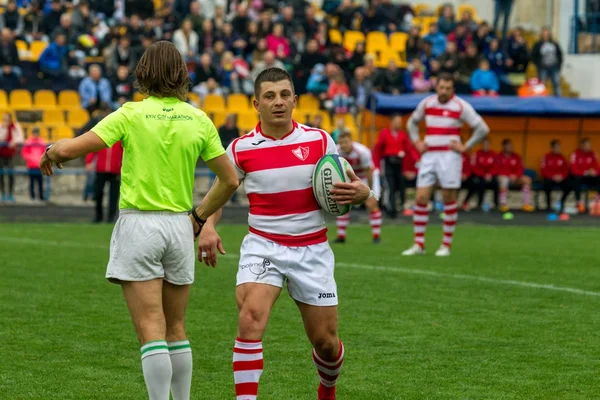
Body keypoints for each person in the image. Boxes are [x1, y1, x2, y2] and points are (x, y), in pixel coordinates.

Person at [39, 41, 240, 400]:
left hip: (140, 225)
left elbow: (71, 150)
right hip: (180, 227)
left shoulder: (131, 114)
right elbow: (229, 180)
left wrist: (51, 152)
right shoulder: (198, 119)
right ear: (182, 74)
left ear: (142, 73)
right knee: (176, 328)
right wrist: (199, 215)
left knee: (151, 329)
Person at [196, 67, 372, 400]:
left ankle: (327, 389)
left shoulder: (319, 141)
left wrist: (364, 193)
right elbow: (220, 193)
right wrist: (208, 225)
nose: (278, 102)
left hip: (312, 249)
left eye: (285, 95)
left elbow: (351, 182)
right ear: (256, 103)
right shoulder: (239, 149)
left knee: (326, 342)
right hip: (264, 248)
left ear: (295, 100)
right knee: (250, 319)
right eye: (270, 96)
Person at [402, 73, 490, 257]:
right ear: (436, 87)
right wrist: (417, 142)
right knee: (421, 197)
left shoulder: (460, 106)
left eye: (448, 88)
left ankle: (446, 245)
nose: (444, 91)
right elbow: (412, 123)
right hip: (429, 155)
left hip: (450, 156)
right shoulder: (427, 103)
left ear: (453, 90)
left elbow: (482, 128)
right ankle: (419, 243)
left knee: (449, 198)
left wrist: (465, 146)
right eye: (442, 87)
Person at [335, 130, 382, 244]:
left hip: (366, 176)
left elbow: (368, 171)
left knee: (371, 204)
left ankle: (376, 236)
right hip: (351, 177)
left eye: (346, 142)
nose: (344, 145)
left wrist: (369, 190)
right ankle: (341, 236)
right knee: (343, 202)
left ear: (352, 141)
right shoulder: (336, 151)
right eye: (341, 143)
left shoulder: (362, 152)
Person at [372, 114, 411, 218]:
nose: (399, 124)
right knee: (390, 186)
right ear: (392, 122)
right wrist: (377, 165)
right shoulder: (384, 133)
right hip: (388, 162)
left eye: (400, 122)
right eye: (397, 122)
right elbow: (377, 150)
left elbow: (408, 150)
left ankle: (399, 206)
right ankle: (389, 208)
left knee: (400, 186)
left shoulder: (402, 135)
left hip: (399, 163)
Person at [85, 136, 124, 223]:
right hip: (100, 170)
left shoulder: (120, 139)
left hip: (115, 170)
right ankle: (98, 216)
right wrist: (89, 161)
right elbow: (93, 148)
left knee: (114, 195)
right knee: (98, 193)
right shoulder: (102, 137)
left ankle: (111, 217)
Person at [497, 139, 534, 212]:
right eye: (508, 145)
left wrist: (515, 175)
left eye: (510, 145)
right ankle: (503, 204)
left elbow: (520, 168)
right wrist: (508, 175)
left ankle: (526, 204)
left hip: (516, 178)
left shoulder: (516, 156)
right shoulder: (499, 157)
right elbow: (498, 169)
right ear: (504, 146)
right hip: (504, 177)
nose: (510, 147)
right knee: (503, 180)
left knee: (527, 179)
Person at [463, 137, 499, 210]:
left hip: (490, 176)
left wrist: (490, 174)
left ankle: (496, 204)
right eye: (484, 144)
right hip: (479, 176)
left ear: (490, 145)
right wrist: (483, 175)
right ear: (482, 145)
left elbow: (496, 167)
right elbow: (474, 167)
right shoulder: (476, 154)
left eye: (487, 144)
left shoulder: (494, 154)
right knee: (479, 183)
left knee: (496, 183)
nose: (486, 146)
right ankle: (479, 204)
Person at [569, 137, 600, 213]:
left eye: (589, 145)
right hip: (580, 178)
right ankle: (579, 203)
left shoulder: (593, 154)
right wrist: (585, 172)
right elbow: (573, 169)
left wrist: (594, 172)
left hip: (590, 178)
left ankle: (597, 201)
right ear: (581, 145)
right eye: (586, 145)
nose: (588, 147)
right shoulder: (575, 154)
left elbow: (597, 167)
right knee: (575, 179)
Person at [0, 112, 24, 202]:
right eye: (3, 119)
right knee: (1, 174)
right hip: (1, 154)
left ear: (10, 120)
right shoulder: (1, 127)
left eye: (6, 119)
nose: (4, 121)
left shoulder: (16, 126)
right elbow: (1, 138)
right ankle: (3, 194)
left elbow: (20, 138)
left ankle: (10, 194)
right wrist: (4, 129)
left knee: (11, 174)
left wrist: (14, 141)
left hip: (11, 154)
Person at [541, 140, 570, 213]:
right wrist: (552, 176)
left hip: (561, 179)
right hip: (550, 178)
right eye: (556, 147)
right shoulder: (546, 157)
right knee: (546, 184)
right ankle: (548, 205)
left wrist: (561, 176)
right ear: (552, 148)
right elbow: (544, 169)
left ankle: (561, 203)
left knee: (569, 185)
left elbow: (566, 170)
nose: (558, 149)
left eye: (559, 147)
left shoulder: (562, 158)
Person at [21, 127, 47, 202]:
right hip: (31, 165)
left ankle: (41, 197)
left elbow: (44, 153)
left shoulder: (41, 142)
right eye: (34, 133)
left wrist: (40, 160)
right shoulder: (29, 142)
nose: (36, 134)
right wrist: (31, 158)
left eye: (37, 133)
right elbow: (24, 153)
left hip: (39, 165)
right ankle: (32, 196)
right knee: (32, 182)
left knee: (40, 182)